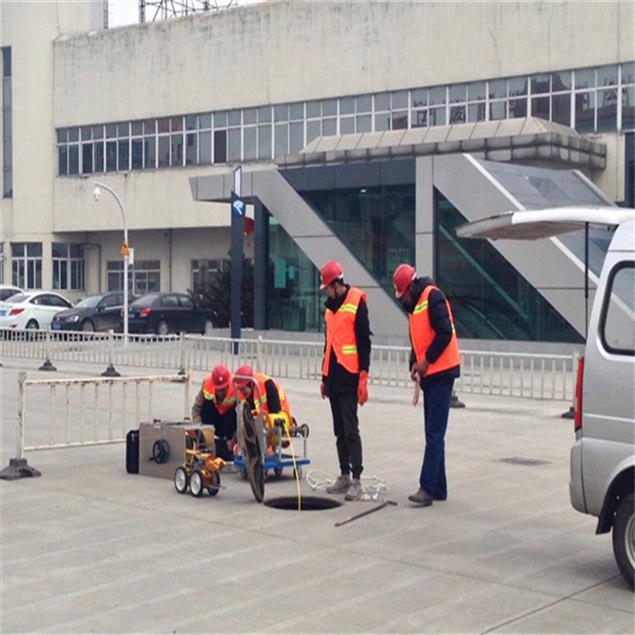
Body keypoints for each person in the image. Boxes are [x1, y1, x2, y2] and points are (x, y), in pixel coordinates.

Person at [393, 263, 461, 507]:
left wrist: (426, 360)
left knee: (433, 434)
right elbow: (418, 338)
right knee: (434, 433)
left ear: (411, 286)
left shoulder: (433, 296)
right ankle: (439, 487)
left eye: (404, 295)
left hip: (442, 372)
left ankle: (426, 487)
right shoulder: (414, 304)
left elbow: (445, 334)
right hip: (431, 372)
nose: (404, 300)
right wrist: (414, 361)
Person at [319, 259, 371, 501]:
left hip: (349, 376)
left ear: (336, 284)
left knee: (351, 429)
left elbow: (364, 342)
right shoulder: (329, 309)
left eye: (327, 287)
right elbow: (328, 344)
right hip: (333, 377)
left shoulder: (357, 301)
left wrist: (363, 377)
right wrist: (323, 376)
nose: (326, 291)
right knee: (339, 429)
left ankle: (357, 479)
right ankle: (344, 475)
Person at [234, 364, 293, 451]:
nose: (241, 392)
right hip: (263, 415)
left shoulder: (267, 385)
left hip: (280, 410)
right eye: (239, 389)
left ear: (251, 384)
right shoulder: (242, 391)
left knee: (265, 450)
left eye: (243, 389)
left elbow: (275, 413)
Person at [191, 363, 238, 460]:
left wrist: (234, 439)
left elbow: (242, 419)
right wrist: (200, 431)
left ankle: (227, 447)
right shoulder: (207, 383)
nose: (220, 392)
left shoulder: (236, 387)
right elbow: (196, 409)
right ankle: (208, 444)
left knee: (234, 412)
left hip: (229, 424)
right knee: (206, 406)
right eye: (218, 389)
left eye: (223, 389)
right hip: (213, 422)